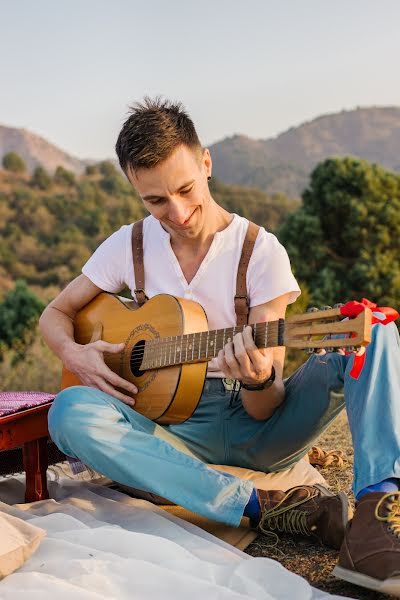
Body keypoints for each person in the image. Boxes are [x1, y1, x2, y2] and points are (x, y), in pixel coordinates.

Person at [40, 97, 400, 596]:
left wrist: (257, 376)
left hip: (261, 424)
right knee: (69, 411)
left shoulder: (258, 251)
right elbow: (54, 313)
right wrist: (75, 354)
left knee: (375, 329)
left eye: (186, 189)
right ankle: (266, 508)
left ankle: (376, 523)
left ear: (206, 163)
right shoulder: (131, 245)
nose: (179, 212)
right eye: (156, 201)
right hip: (174, 426)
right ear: (134, 189)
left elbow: (266, 406)